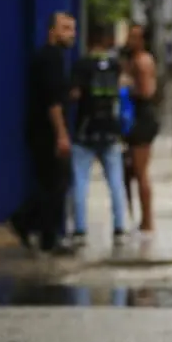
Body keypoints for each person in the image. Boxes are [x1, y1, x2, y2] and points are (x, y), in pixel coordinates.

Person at [11, 11, 77, 256]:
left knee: (52, 183)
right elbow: (53, 101)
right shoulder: (52, 58)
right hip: (47, 131)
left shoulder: (50, 57)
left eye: (72, 28)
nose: (72, 34)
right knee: (56, 184)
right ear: (52, 31)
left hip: (41, 129)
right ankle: (27, 222)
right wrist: (61, 134)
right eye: (66, 28)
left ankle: (45, 234)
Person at [69, 22, 128, 247]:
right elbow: (122, 90)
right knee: (115, 182)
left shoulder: (81, 65)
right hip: (110, 130)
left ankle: (80, 230)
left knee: (80, 181)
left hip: (86, 130)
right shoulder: (114, 65)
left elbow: (74, 94)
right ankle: (119, 228)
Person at [122, 24, 158, 233]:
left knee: (140, 171)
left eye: (134, 37)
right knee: (136, 170)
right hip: (140, 118)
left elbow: (146, 91)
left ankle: (147, 220)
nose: (129, 40)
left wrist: (127, 88)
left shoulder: (141, 61)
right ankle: (144, 218)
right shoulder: (137, 59)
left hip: (141, 119)